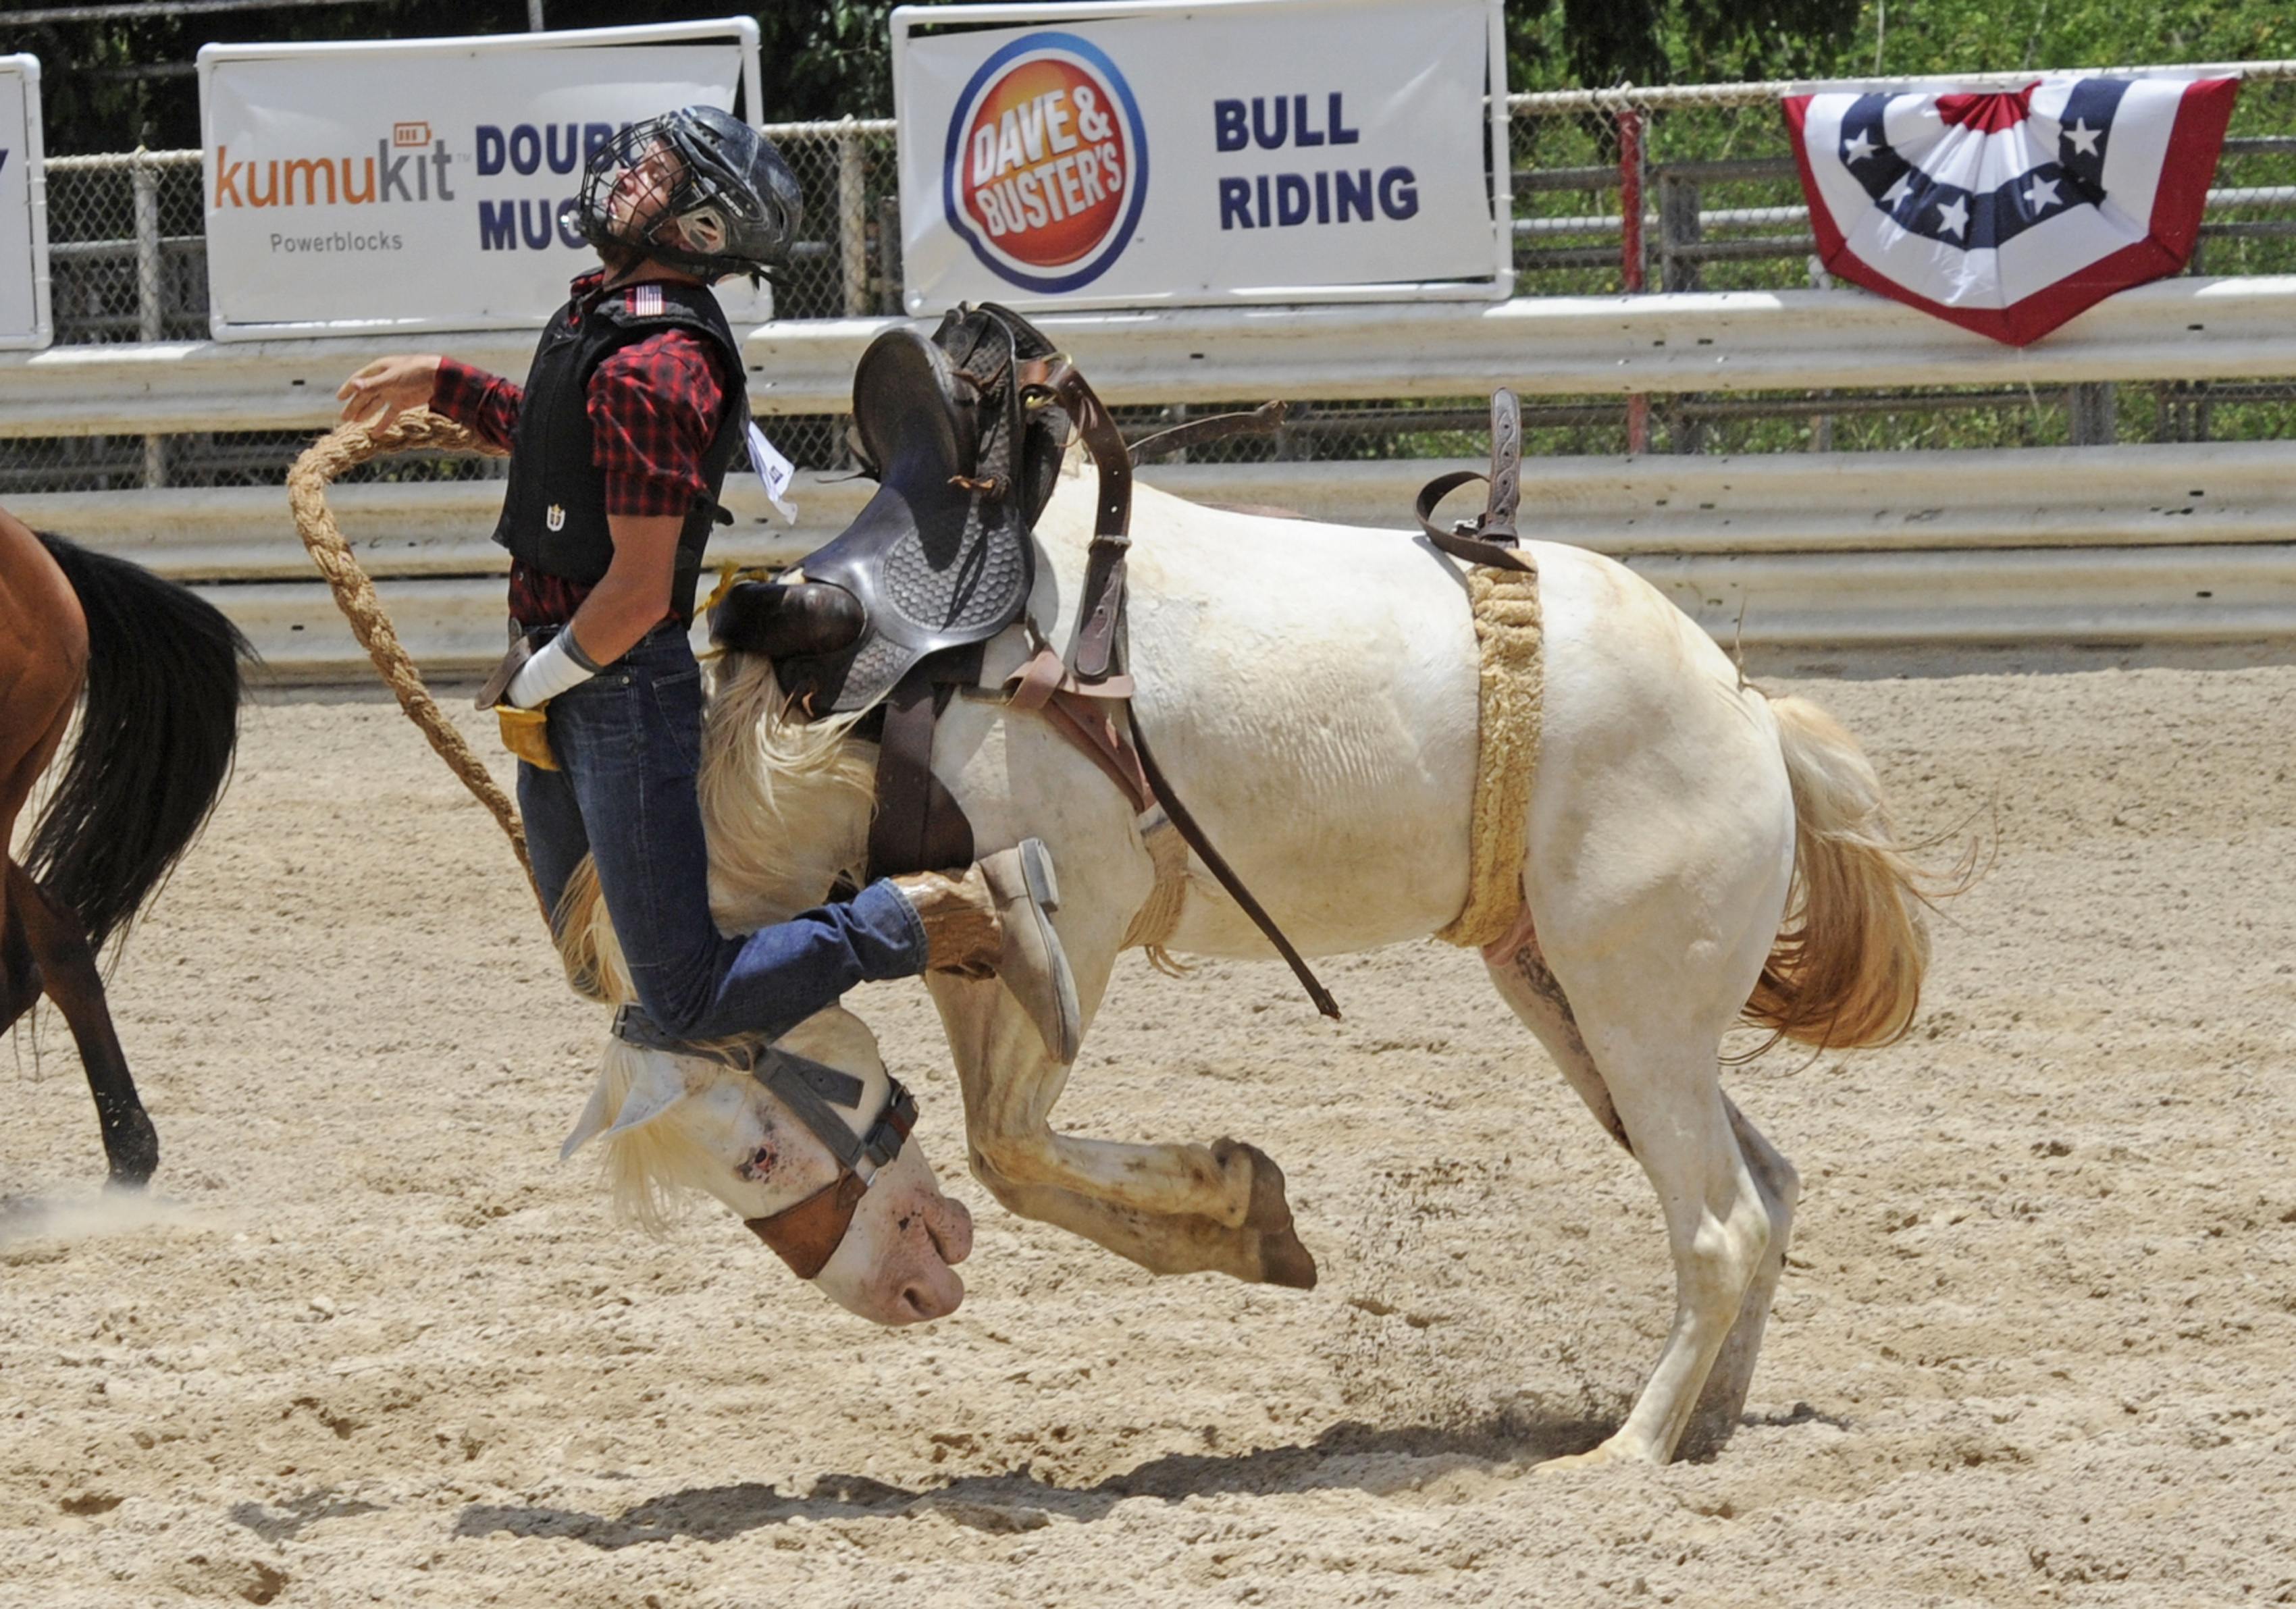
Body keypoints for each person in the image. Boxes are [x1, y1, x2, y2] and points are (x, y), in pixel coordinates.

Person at [336, 106, 1078, 1061]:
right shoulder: (615, 324)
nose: (628, 176)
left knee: (682, 996)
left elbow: (641, 594)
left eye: (658, 173)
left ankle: (933, 915)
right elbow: (567, 440)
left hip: (611, 695)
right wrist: (446, 383)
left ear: (699, 228)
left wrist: (542, 681)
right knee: (590, 957)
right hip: (569, 682)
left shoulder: (660, 366)